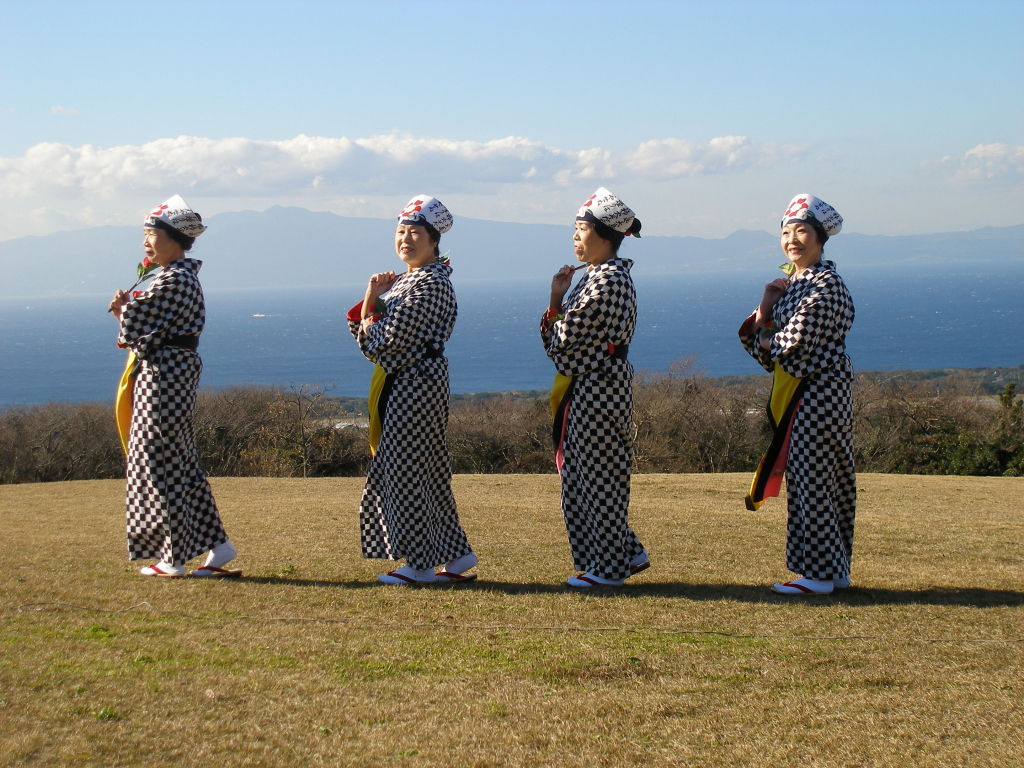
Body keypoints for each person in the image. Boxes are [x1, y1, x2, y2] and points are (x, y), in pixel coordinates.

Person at [346, 195, 477, 585]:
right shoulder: (415, 281)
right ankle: (456, 555)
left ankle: (420, 564)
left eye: (415, 232)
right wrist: (372, 305)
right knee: (428, 472)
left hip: (413, 385)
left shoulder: (427, 285)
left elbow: (383, 342)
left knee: (406, 471)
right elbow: (372, 335)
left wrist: (372, 311)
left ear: (434, 240)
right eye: (401, 231)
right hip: (416, 382)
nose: (406, 239)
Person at [108, 195, 238, 578]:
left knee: (158, 460)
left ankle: (173, 555)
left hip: (165, 374)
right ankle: (219, 547)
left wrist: (121, 311)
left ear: (173, 238)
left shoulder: (175, 278)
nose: (146, 243)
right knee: (181, 463)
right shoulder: (177, 277)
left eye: (151, 235)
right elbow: (143, 329)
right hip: (169, 371)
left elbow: (135, 327)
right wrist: (128, 313)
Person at [739, 194, 856, 595]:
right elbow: (763, 349)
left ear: (821, 238)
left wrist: (765, 326)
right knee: (820, 479)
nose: (792, 239)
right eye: (786, 232)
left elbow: (786, 343)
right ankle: (832, 570)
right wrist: (766, 306)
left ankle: (818, 575)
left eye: (802, 230)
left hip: (819, 393)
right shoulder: (794, 286)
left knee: (816, 480)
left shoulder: (827, 286)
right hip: (808, 392)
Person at [542, 187, 649, 587]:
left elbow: (562, 342)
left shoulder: (607, 282)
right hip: (594, 386)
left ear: (606, 236)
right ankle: (626, 553)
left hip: (598, 389)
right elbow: (561, 341)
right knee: (585, 477)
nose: (575, 236)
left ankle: (609, 568)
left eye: (582, 228)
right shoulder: (598, 277)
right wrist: (556, 297)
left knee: (599, 478)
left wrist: (555, 316)